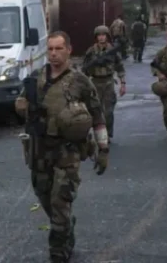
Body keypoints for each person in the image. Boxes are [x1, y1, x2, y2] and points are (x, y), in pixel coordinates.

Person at [15, 31, 109, 263]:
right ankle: (65, 224)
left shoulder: (80, 81)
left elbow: (97, 116)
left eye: (59, 49)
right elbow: (19, 103)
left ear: (69, 49)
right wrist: (23, 106)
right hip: (39, 148)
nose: (54, 54)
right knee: (44, 195)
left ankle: (58, 250)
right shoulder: (35, 79)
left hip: (67, 150)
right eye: (50, 49)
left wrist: (103, 148)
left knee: (60, 199)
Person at [81, 26, 126, 140]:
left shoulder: (112, 50)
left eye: (103, 35)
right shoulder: (91, 51)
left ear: (107, 36)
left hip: (108, 82)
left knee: (109, 111)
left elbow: (119, 67)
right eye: (99, 35)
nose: (101, 37)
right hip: (95, 82)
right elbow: (84, 68)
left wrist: (123, 83)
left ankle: (108, 133)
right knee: (96, 111)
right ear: (96, 37)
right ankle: (99, 134)